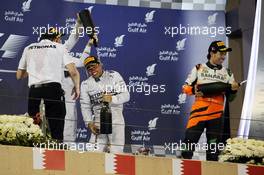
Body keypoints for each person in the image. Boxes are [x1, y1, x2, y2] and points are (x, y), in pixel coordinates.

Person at [16, 27, 80, 141]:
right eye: (60, 39)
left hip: (34, 92)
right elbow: (73, 72)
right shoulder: (59, 47)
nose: (60, 41)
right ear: (56, 39)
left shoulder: (28, 48)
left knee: (34, 129)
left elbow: (19, 75)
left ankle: (35, 155)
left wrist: (32, 69)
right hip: (53, 91)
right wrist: (77, 88)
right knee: (56, 127)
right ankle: (56, 153)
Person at [181, 40, 240, 161]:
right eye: (221, 53)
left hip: (216, 115)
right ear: (212, 52)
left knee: (213, 153)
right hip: (198, 113)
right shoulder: (199, 68)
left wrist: (234, 90)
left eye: (225, 54)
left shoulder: (227, 73)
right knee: (187, 149)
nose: (223, 57)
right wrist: (193, 90)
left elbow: (231, 99)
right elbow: (185, 87)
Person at [80, 55, 130, 153]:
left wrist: (112, 98)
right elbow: (85, 106)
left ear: (100, 65)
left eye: (94, 66)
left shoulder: (114, 75)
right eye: (89, 68)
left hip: (116, 120)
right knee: (92, 153)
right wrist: (89, 123)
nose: (92, 70)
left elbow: (126, 95)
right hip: (98, 123)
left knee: (116, 153)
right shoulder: (85, 84)